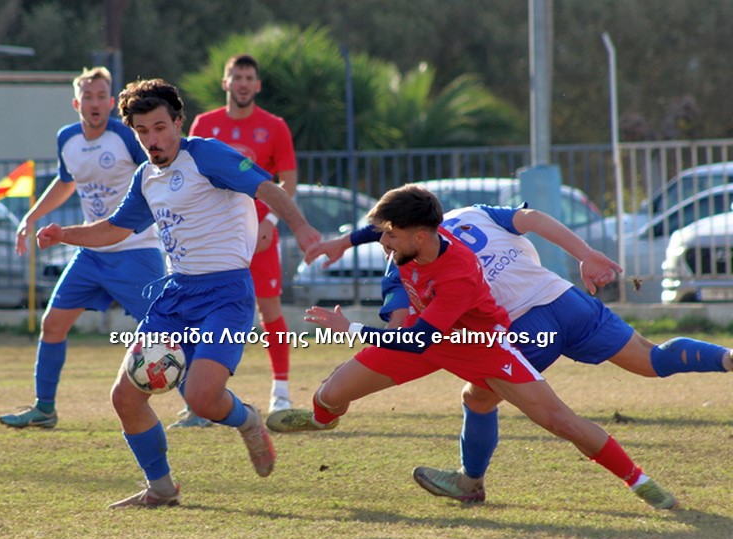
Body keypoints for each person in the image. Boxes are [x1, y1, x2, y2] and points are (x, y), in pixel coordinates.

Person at [267, 184, 678, 510]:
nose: (384, 242)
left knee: (561, 421)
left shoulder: (458, 273)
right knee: (330, 393)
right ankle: (321, 420)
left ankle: (640, 481)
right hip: (427, 334)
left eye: (390, 235)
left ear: (421, 236)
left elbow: (417, 340)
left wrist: (350, 328)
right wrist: (345, 241)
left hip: (478, 346)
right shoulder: (417, 237)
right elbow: (386, 239)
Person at [36, 78, 319, 507]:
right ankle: (161, 489)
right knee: (125, 397)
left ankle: (248, 421)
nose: (152, 140)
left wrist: (301, 228)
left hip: (225, 294)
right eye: (142, 131)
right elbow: (115, 228)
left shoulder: (205, 154)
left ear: (177, 123)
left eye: (159, 127)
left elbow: (266, 187)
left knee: (203, 398)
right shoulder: (145, 177)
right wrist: (64, 234)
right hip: (175, 296)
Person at [0, 67, 164, 429]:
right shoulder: (67, 139)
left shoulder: (126, 136)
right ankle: (44, 409)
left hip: (136, 249)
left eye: (102, 96)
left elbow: (156, 176)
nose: (95, 103)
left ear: (111, 102)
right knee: (52, 324)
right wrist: (31, 217)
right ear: (76, 103)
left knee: (165, 329)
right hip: (91, 254)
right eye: (88, 96)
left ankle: (199, 406)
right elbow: (65, 182)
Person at [171, 54, 297, 428]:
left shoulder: (274, 126)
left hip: (259, 238)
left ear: (257, 85)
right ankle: (201, 402)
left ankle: (281, 392)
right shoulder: (204, 124)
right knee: (198, 313)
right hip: (213, 239)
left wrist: (270, 220)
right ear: (226, 83)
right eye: (236, 77)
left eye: (249, 78)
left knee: (269, 310)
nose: (243, 83)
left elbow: (288, 181)